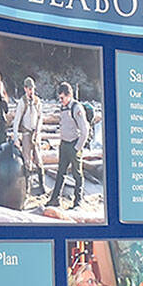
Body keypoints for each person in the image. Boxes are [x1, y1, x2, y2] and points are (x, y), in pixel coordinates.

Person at [45, 81, 89, 209]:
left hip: (74, 144)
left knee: (77, 174)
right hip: (64, 144)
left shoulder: (76, 108)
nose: (61, 100)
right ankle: (55, 199)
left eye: (62, 98)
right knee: (61, 173)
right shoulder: (63, 107)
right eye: (59, 98)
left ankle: (78, 201)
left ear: (69, 95)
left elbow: (84, 130)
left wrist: (77, 148)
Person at [12, 76, 44, 194]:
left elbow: (40, 117)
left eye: (33, 89)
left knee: (39, 160)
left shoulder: (37, 101)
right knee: (27, 162)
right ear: (25, 89)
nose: (31, 91)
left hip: (36, 134)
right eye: (29, 89)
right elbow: (16, 120)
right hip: (26, 134)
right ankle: (27, 187)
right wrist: (16, 137)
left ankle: (42, 185)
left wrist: (38, 131)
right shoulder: (22, 102)